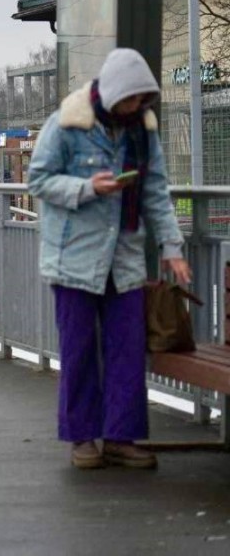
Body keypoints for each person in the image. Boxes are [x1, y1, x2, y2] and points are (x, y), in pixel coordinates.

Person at [28, 48, 189, 470]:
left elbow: (155, 190)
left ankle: (120, 436)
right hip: (73, 259)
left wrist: (172, 248)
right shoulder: (66, 124)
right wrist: (87, 188)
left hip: (125, 258)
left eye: (142, 100)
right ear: (115, 92)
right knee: (79, 349)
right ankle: (82, 438)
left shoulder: (142, 130)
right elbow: (39, 180)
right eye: (132, 99)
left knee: (128, 350)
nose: (137, 107)